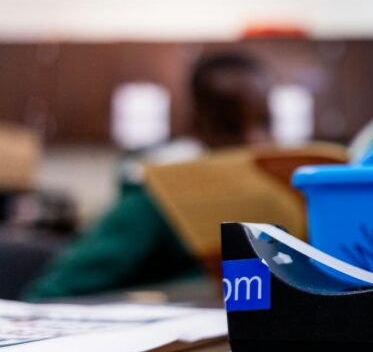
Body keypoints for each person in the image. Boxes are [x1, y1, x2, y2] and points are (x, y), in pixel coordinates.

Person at [24, 52, 273, 299]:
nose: (254, 140)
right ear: (197, 128)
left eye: (266, 123)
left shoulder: (278, 191)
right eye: (230, 127)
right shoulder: (153, 200)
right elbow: (49, 294)